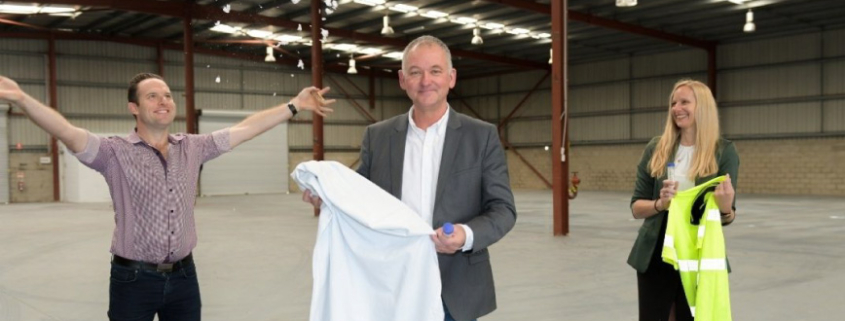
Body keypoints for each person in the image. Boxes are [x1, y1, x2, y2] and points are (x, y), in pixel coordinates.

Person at [0, 72, 335, 321]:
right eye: (152, 96)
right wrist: (22, 99)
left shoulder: (191, 147)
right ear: (134, 107)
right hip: (133, 280)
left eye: (167, 95)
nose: (163, 101)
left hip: (185, 277)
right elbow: (68, 133)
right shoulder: (113, 153)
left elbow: (246, 130)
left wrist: (294, 106)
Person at [304, 35, 517, 321]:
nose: (425, 80)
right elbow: (358, 198)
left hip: (455, 289)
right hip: (391, 283)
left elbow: (503, 209)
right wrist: (326, 196)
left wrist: (466, 235)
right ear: (403, 80)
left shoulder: (481, 136)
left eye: (435, 71)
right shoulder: (378, 137)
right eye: (415, 72)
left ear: (451, 78)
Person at [628, 79, 739, 321]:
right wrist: (660, 204)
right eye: (673, 103)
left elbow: (727, 217)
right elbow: (636, 207)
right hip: (656, 252)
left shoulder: (724, 151)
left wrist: (726, 207)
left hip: (698, 251)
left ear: (703, 107)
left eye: (685, 102)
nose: (677, 108)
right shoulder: (656, 148)